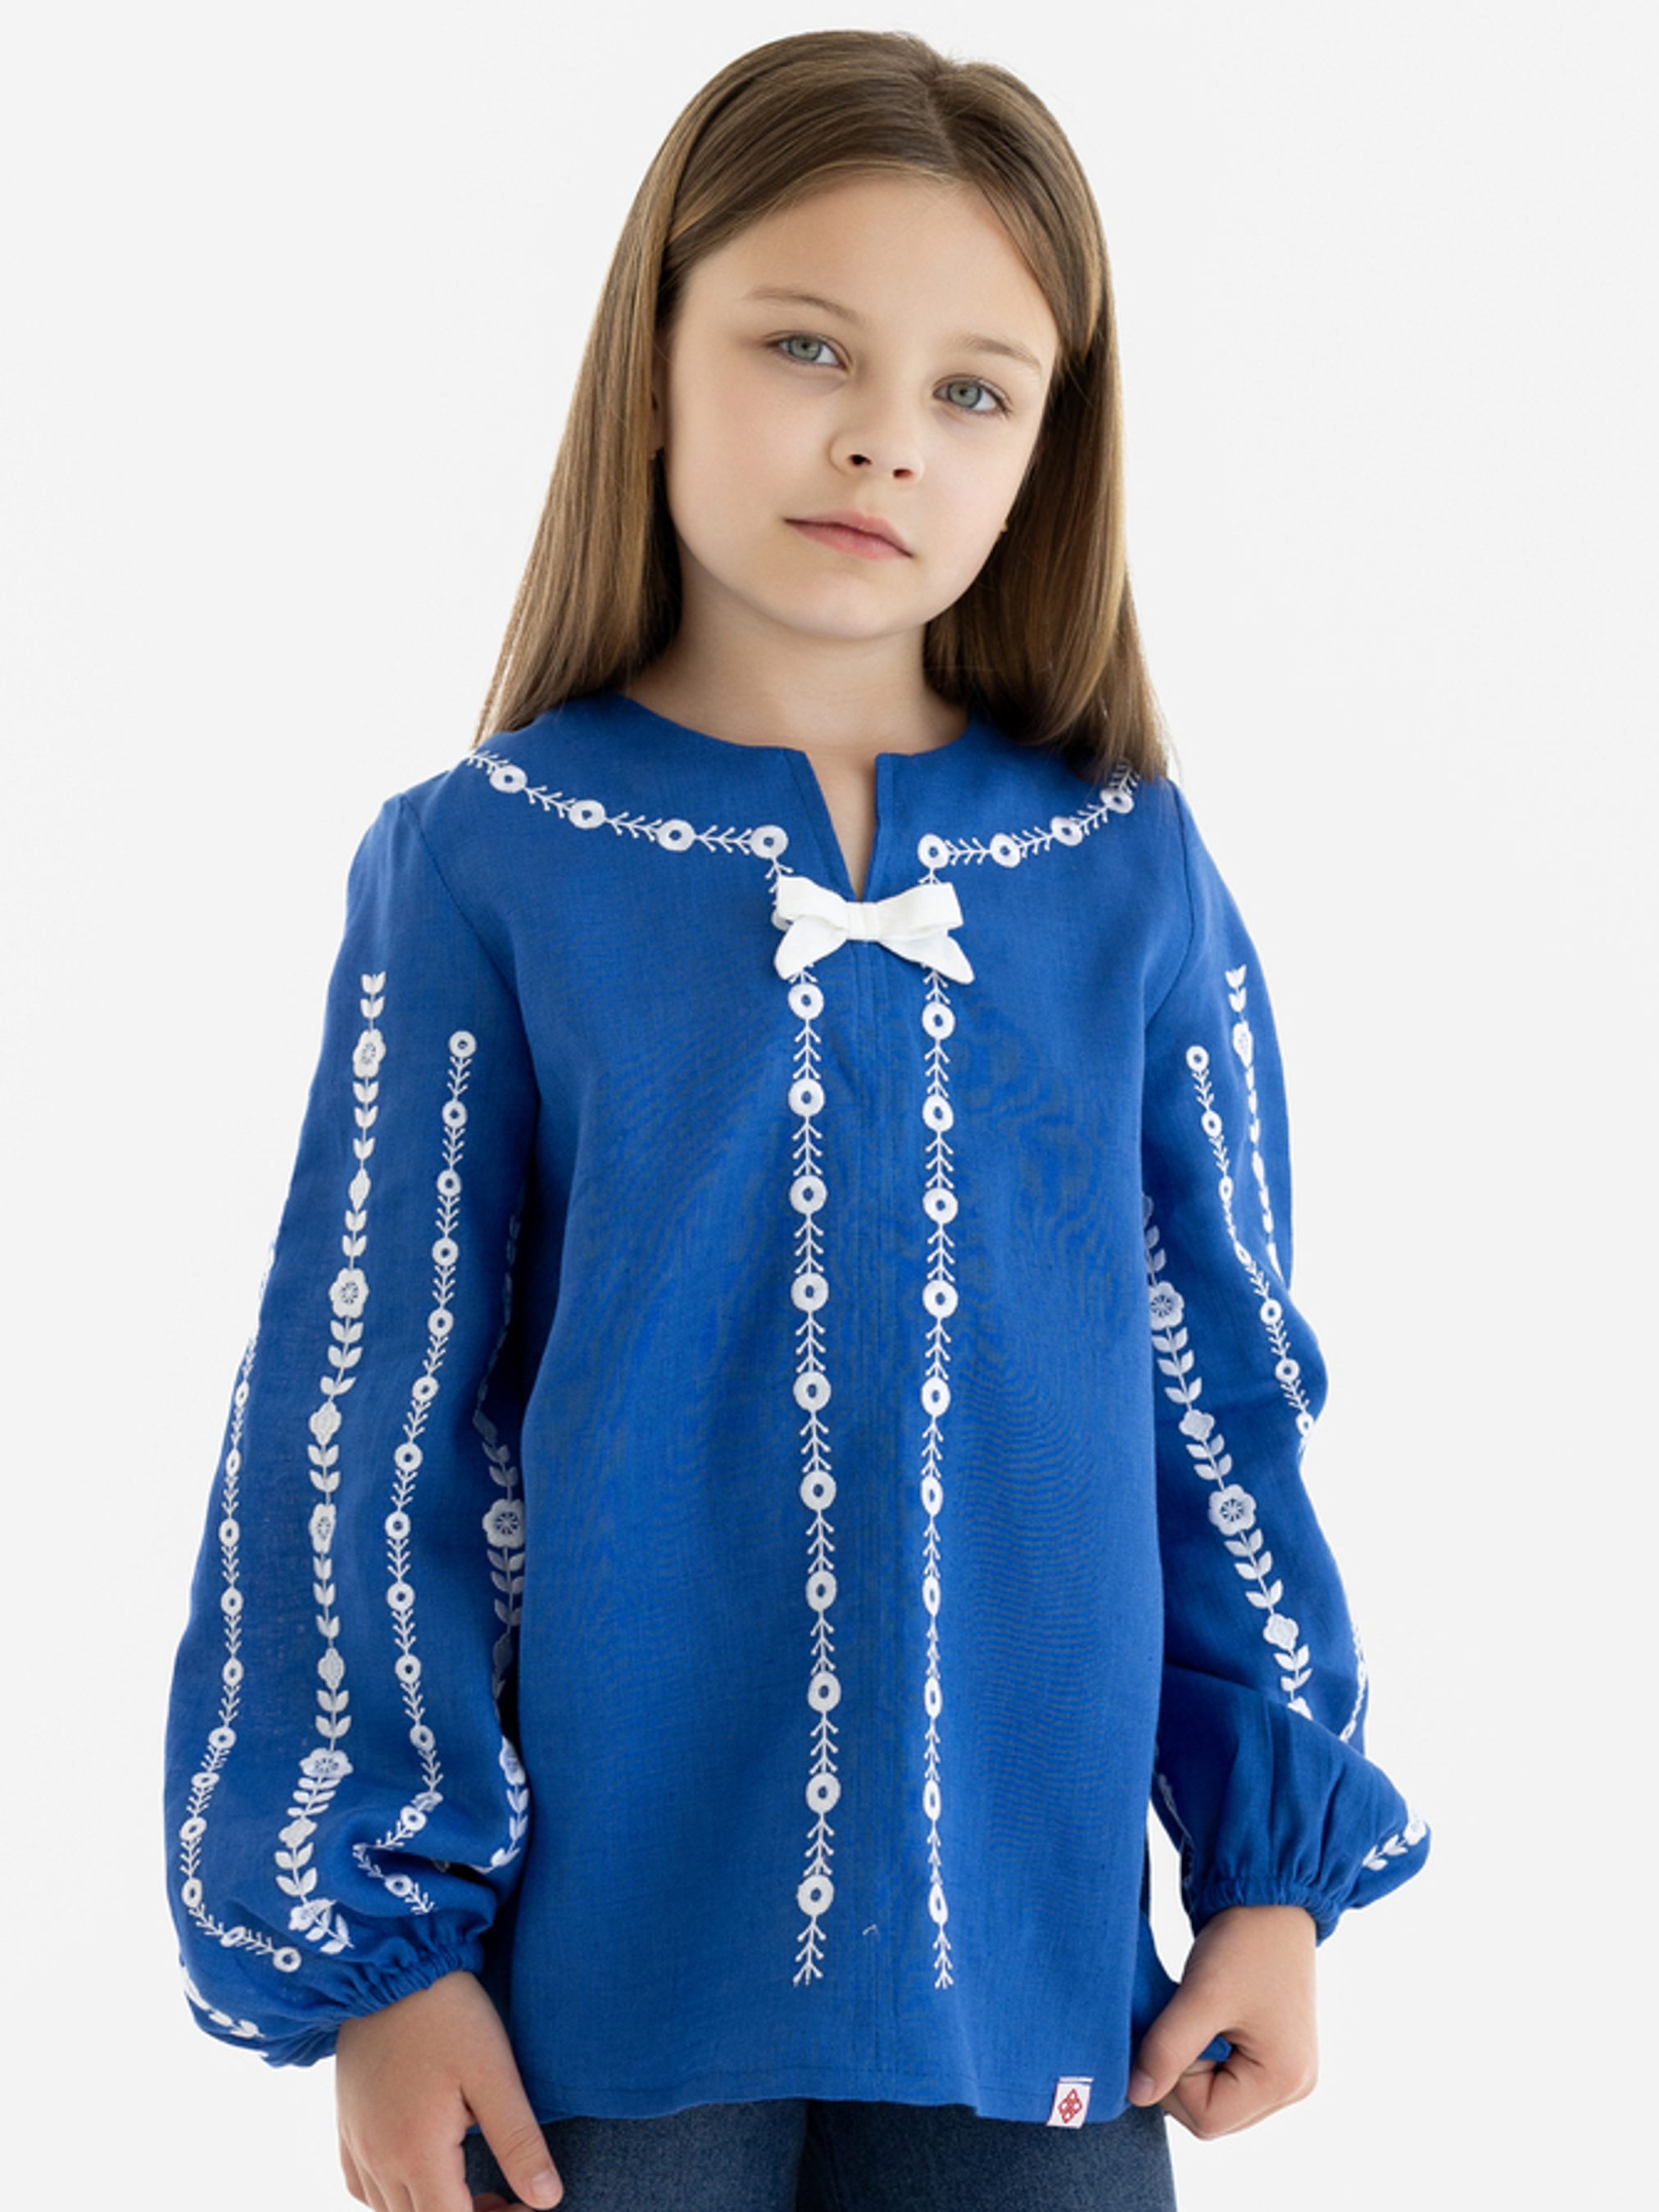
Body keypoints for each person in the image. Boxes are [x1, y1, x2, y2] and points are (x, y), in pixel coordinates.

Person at [164, 30, 1427, 2212]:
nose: (881, 435)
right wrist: (384, 1958)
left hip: (1039, 1988)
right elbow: (361, 1423)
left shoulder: (1118, 874)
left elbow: (1215, 1395)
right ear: (652, 362)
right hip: (593, 2008)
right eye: (805, 345)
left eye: (975, 388)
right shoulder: (487, 862)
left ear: (1050, 449)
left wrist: (1270, 1869)